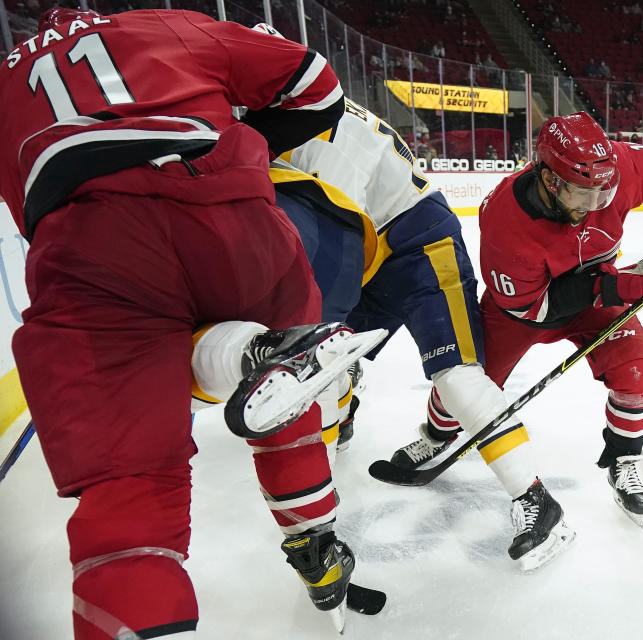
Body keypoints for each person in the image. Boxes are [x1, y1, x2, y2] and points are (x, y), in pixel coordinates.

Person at [0, 7, 376, 638]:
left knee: (130, 493)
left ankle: (243, 354)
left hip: (92, 245)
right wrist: (245, 141)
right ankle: (316, 545)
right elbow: (318, 84)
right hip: (234, 211)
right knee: (287, 408)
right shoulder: (164, 23)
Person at [384, 112, 643, 566]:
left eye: (604, 190)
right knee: (466, 385)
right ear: (548, 179)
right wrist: (616, 286)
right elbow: (534, 309)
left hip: (597, 297)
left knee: (636, 373)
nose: (597, 201)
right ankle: (437, 434)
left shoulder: (616, 171)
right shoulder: (505, 217)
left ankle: (624, 460)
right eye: (583, 192)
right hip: (520, 312)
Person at [272, 94, 560, 570]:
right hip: (369, 244)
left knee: (455, 375)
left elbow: (333, 242)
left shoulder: (316, 138)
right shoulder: (303, 113)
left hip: (419, 242)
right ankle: (339, 417)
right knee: (329, 353)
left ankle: (536, 500)